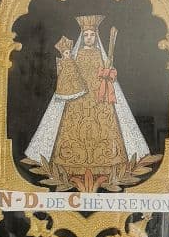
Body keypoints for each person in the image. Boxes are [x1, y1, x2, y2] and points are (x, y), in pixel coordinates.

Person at [24, 15, 150, 175]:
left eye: (92, 34)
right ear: (82, 37)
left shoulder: (100, 55)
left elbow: (107, 75)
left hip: (99, 97)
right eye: (86, 35)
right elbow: (70, 73)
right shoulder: (78, 55)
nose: (89, 37)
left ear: (96, 36)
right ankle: (69, 165)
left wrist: (108, 72)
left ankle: (108, 165)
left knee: (104, 127)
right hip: (79, 98)